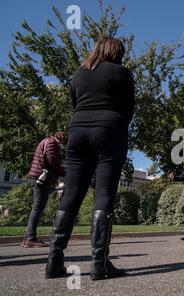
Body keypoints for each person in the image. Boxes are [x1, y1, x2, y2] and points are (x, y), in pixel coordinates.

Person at [45, 37, 135, 280]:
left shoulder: (79, 73)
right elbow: (129, 109)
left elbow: (75, 102)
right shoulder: (122, 73)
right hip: (109, 131)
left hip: (78, 132)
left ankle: (54, 260)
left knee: (71, 194)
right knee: (104, 195)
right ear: (116, 52)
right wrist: (114, 125)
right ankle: (99, 262)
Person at [23, 132, 66, 248]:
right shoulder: (52, 143)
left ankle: (28, 237)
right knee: (38, 207)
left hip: (39, 177)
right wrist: (63, 172)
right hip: (41, 178)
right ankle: (30, 238)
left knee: (37, 207)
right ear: (62, 140)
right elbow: (52, 160)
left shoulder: (47, 141)